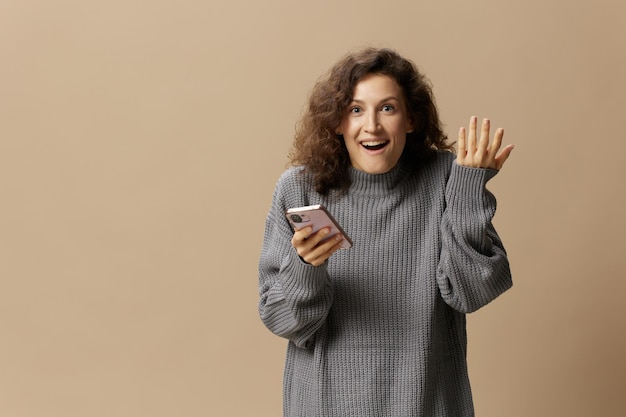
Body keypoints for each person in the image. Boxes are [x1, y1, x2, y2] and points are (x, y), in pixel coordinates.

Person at [258, 47, 513, 417]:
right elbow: (283, 319)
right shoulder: (300, 189)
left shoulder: (447, 179)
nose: (372, 125)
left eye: (388, 108)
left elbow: (471, 292)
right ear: (336, 122)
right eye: (356, 109)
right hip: (325, 404)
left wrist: (468, 191)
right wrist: (305, 266)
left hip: (428, 403)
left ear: (410, 119)